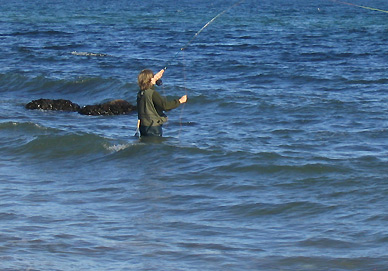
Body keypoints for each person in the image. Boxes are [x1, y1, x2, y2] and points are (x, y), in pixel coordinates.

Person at [136, 69, 187, 137]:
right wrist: (180, 101)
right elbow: (165, 106)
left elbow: (149, 91)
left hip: (143, 126)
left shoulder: (140, 93)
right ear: (150, 80)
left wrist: (155, 78)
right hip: (153, 127)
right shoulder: (153, 93)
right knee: (155, 146)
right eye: (153, 77)